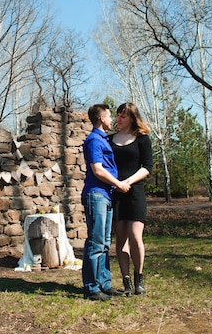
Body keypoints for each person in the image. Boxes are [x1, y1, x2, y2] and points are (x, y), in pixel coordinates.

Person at [81, 104, 130, 301]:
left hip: (106, 196)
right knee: (96, 242)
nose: (112, 120)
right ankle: (92, 288)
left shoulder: (103, 140)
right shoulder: (94, 140)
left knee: (105, 243)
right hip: (97, 195)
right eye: (110, 116)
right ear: (101, 118)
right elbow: (98, 170)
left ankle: (104, 283)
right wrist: (118, 184)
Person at [110, 102, 153, 296]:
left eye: (123, 116)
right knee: (121, 239)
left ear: (132, 118)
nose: (118, 119)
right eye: (117, 115)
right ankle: (126, 280)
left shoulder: (142, 139)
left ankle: (139, 277)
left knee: (135, 236)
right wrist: (116, 184)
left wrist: (128, 181)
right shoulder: (109, 139)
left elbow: (147, 166)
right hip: (116, 194)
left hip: (135, 192)